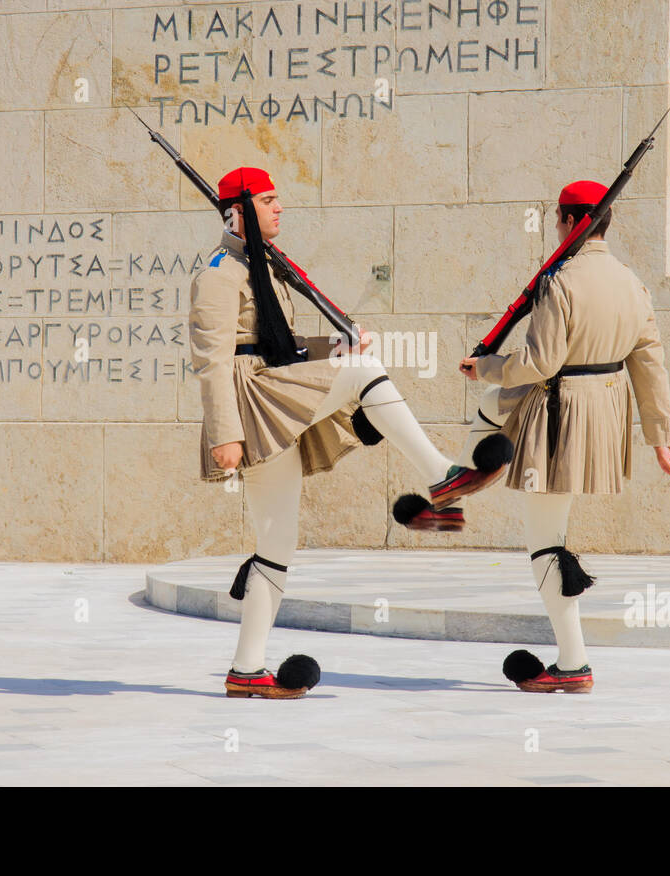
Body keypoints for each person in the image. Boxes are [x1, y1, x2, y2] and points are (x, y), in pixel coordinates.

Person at [189, 166, 512, 699]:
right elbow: (213, 360)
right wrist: (225, 433)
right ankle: (443, 478)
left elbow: (279, 343)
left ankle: (246, 671)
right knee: (366, 374)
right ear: (240, 211)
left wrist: (333, 351)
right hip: (253, 401)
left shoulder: (263, 266)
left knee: (277, 542)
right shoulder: (220, 273)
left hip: (274, 386)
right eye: (268, 201)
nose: (279, 208)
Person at [456, 179, 670, 693]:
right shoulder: (631, 282)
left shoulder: (559, 280)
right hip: (605, 411)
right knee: (546, 522)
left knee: (544, 540)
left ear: (566, 220)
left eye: (556, 218)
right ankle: (463, 475)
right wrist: (660, 438)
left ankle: (574, 663)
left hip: (561, 413)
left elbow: (540, 362)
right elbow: (650, 367)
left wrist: (486, 366)